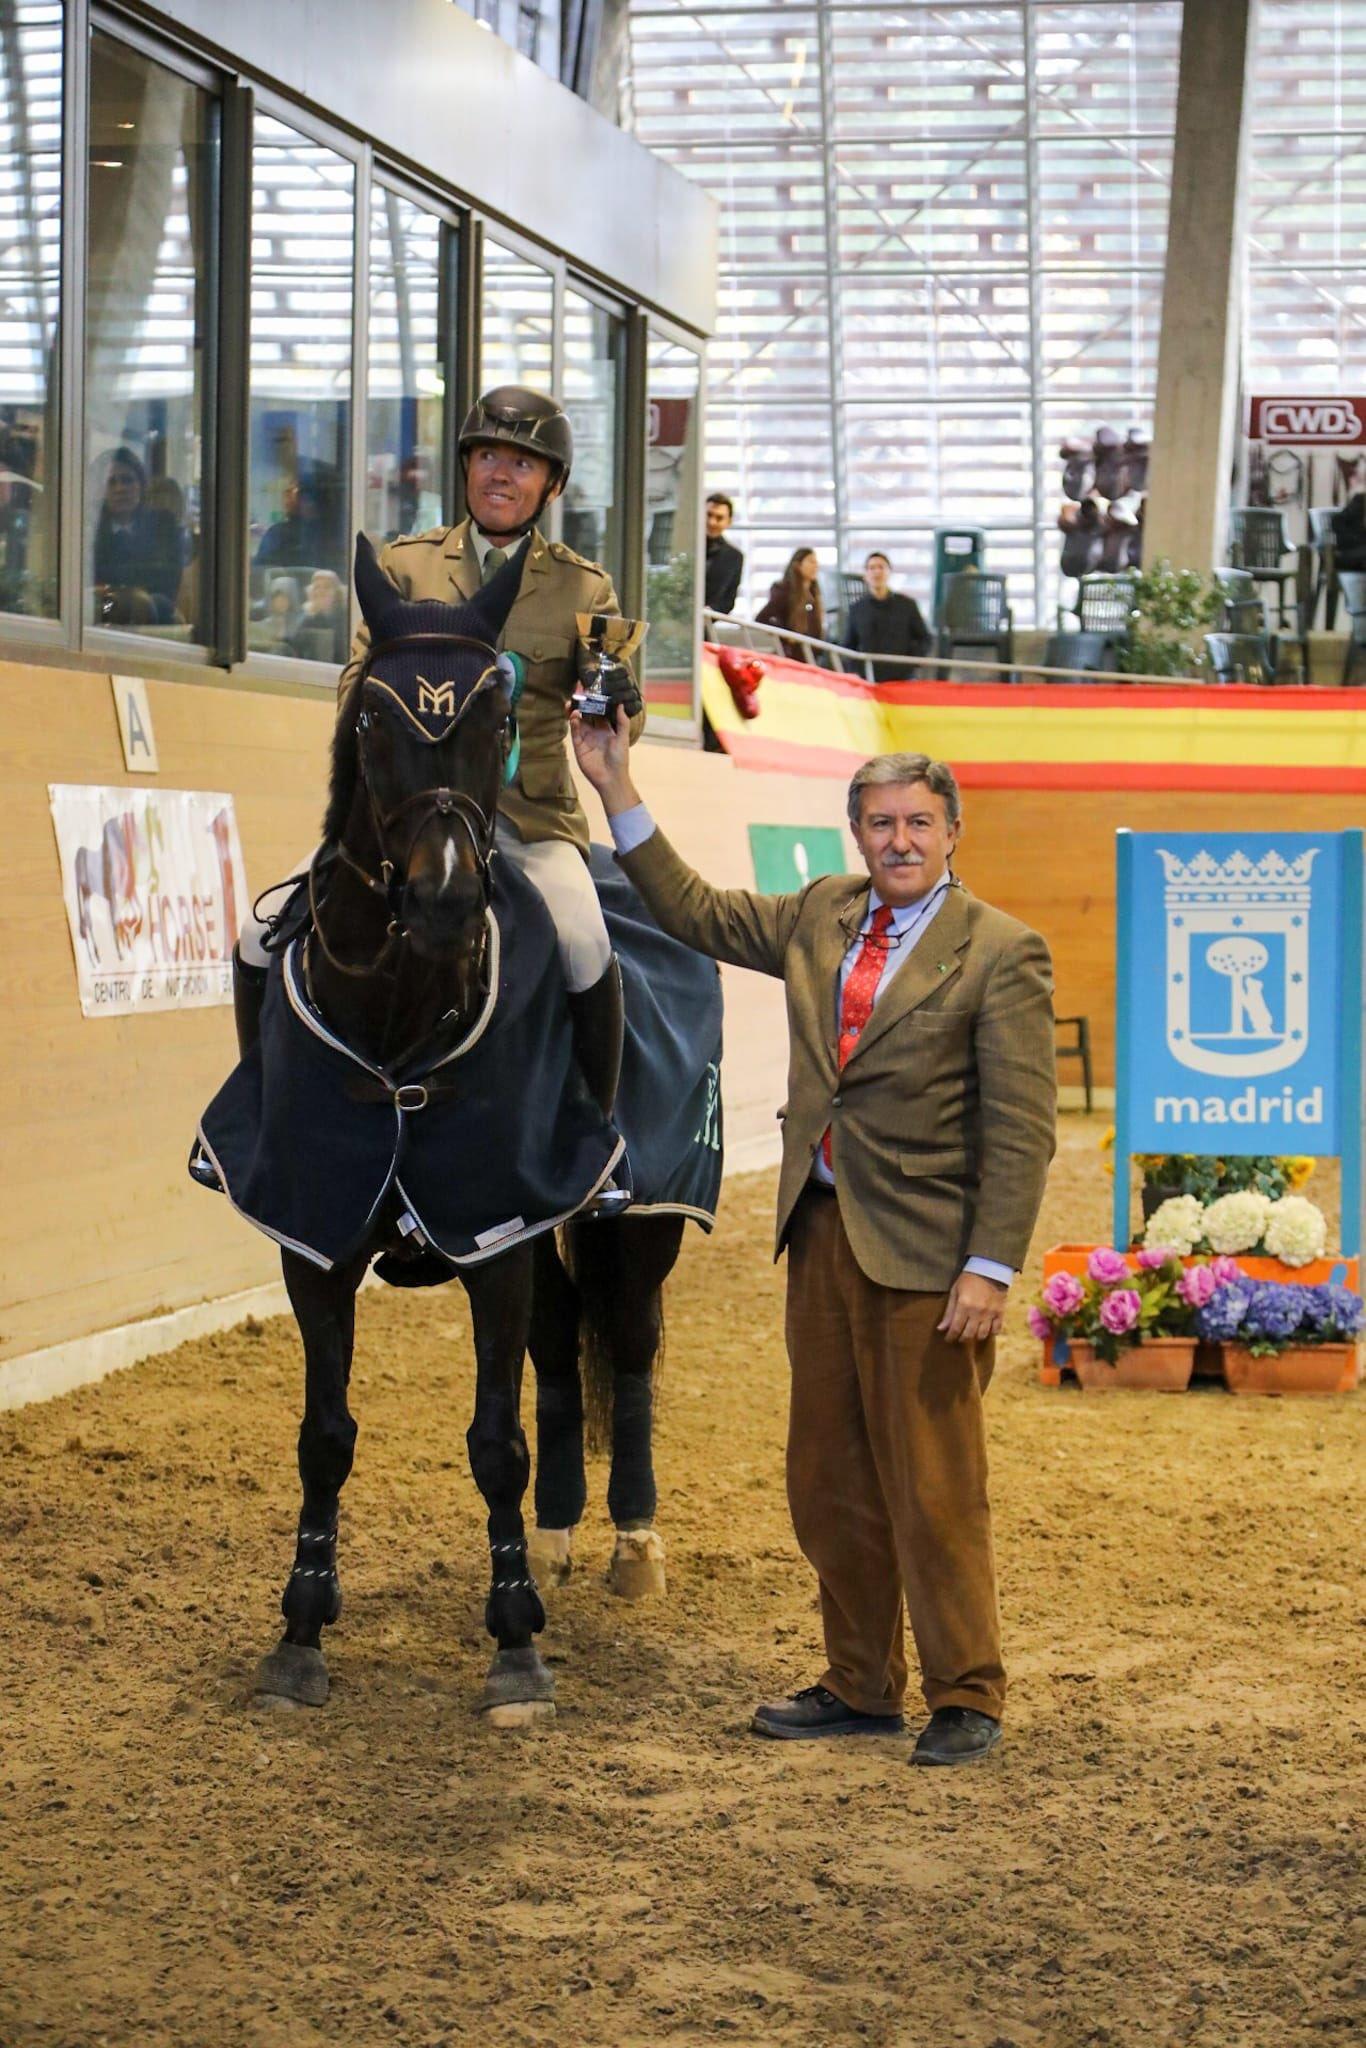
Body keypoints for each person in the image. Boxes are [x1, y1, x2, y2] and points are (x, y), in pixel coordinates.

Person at [570, 729, 1056, 1765]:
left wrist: (990, 1264)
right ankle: (862, 1679)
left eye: (918, 821)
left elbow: (1019, 1128)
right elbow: (691, 909)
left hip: (930, 1256)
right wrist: (616, 784)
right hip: (823, 1232)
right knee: (828, 1477)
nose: (899, 839)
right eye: (880, 822)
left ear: (952, 831)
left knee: (934, 1482)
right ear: (856, 832)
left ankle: (966, 1689)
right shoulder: (820, 914)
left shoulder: (1001, 950)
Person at [234, 385, 644, 1122]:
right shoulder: (407, 566)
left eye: (522, 463)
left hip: (529, 823)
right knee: (258, 938)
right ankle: (261, 1112)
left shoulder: (584, 587)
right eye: (488, 455)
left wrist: (613, 708)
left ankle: (591, 1134)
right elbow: (356, 680)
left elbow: (618, 712)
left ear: (551, 484)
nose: (501, 474)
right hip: (405, 821)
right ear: (465, 467)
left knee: (584, 942)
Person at [89, 446, 185, 626]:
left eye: (127, 480)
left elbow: (169, 580)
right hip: (104, 612)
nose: (120, 489)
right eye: (111, 482)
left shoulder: (163, 525)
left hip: (156, 616)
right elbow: (92, 585)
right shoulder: (90, 530)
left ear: (141, 485)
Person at [844, 552, 931, 676]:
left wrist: (913, 661)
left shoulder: (907, 605)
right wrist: (855, 671)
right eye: (871, 568)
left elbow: (925, 638)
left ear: (889, 572)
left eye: (881, 567)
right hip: (867, 677)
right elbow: (849, 645)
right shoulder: (856, 609)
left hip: (901, 677)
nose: (877, 572)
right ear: (865, 575)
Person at [756, 547, 825, 660]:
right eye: (811, 561)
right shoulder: (785, 591)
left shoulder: (814, 592)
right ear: (798, 565)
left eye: (816, 562)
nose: (816, 566)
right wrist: (785, 635)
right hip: (791, 654)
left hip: (811, 655)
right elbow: (762, 618)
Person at [289, 568, 348, 665]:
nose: (321, 591)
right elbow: (294, 648)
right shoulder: (307, 616)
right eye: (317, 587)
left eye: (327, 587)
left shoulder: (345, 618)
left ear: (337, 593)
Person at [704, 493, 744, 615]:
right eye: (708, 515)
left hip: (706, 624)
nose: (712, 522)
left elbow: (728, 601)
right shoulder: (685, 544)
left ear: (729, 522)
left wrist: (709, 611)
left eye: (719, 518)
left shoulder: (734, 557)